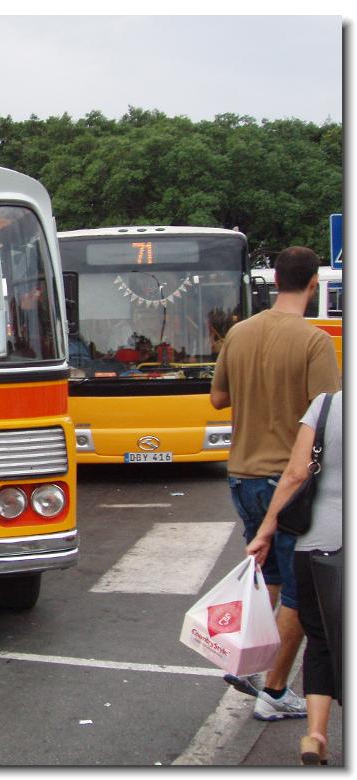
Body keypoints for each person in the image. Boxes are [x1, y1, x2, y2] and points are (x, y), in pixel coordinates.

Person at [210, 246, 340, 721]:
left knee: (269, 578)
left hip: (241, 476)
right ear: (312, 284)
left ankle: (247, 662)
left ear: (276, 280)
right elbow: (329, 416)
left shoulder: (239, 333)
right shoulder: (314, 341)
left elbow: (218, 398)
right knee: (302, 594)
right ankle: (275, 690)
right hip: (289, 482)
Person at [246, 391, 342, 764]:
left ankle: (315, 735)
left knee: (319, 640)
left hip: (319, 541)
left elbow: (296, 474)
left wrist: (266, 532)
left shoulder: (326, 405)